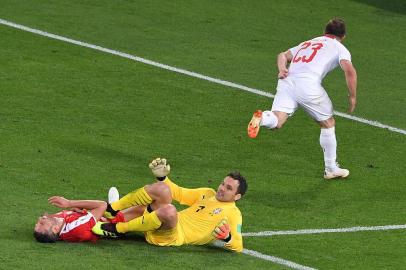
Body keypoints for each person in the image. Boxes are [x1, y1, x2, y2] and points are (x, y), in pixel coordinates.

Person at [247, 17, 357, 180]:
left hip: (287, 81)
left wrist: (282, 68)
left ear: (324, 32)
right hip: (308, 85)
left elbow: (282, 55)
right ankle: (331, 168)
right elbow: (349, 70)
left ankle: (262, 118)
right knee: (328, 124)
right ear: (343, 36)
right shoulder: (340, 48)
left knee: (277, 121)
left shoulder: (308, 42)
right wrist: (352, 96)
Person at [92, 158, 247, 252]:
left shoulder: (233, 214)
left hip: (171, 236)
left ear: (237, 196)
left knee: (170, 211)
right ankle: (113, 210)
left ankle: (118, 229)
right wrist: (162, 178)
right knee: (161, 190)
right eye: (222, 183)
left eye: (228, 188)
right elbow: (178, 193)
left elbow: (238, 245)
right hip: (160, 221)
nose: (221, 188)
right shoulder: (208, 193)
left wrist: (227, 238)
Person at [33, 197, 107, 243]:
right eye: (42, 223)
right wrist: (70, 203)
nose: (41, 218)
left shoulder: (56, 220)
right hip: (114, 220)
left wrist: (79, 209)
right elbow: (102, 205)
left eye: (38, 222)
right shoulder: (77, 229)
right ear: (55, 229)